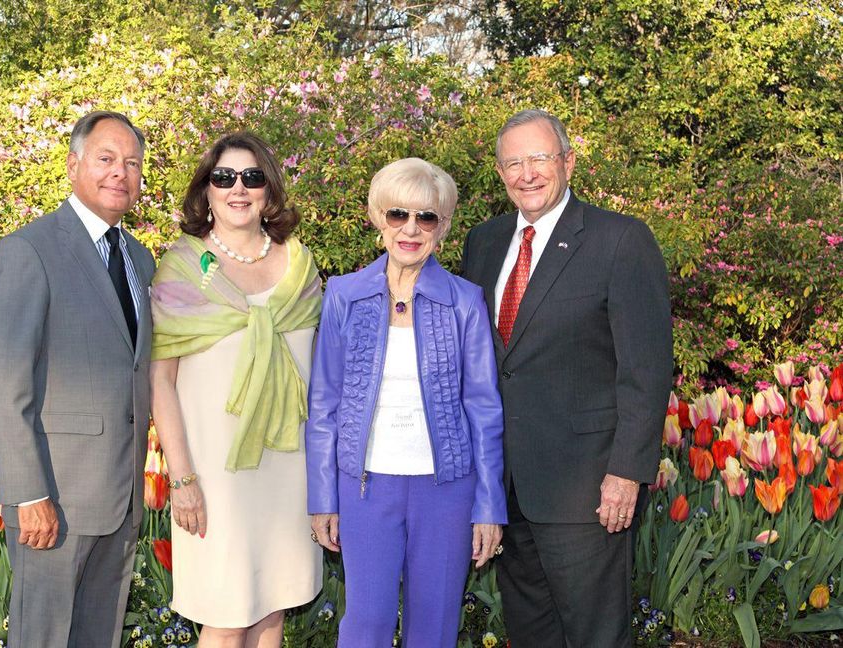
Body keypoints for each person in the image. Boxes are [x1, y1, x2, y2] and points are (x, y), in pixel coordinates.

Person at [461, 109, 674, 647]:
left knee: (595, 637)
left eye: (539, 158)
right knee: (531, 634)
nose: (526, 173)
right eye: (513, 162)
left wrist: (626, 472)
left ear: (568, 161)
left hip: (588, 490)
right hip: (507, 487)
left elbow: (646, 370)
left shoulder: (620, 241)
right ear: (499, 172)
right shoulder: (482, 244)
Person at [306, 157, 507, 648]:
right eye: (398, 215)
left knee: (434, 628)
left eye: (426, 217)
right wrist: (322, 496)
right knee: (365, 625)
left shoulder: (465, 301)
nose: (411, 229)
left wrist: (488, 506)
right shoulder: (343, 296)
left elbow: (484, 408)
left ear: (442, 226)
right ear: (379, 218)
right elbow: (324, 405)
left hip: (447, 491)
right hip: (365, 488)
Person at [0, 110, 155, 646]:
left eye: (131, 163)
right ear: (74, 164)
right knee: (42, 638)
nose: (119, 172)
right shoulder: (28, 251)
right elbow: (4, 384)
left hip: (118, 497)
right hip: (54, 499)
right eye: (106, 159)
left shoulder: (139, 260)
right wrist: (29, 493)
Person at [149, 131, 323, 647]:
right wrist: (181, 479)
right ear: (206, 191)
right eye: (224, 177)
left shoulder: (299, 266)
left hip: (287, 468)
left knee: (272, 612)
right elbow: (161, 379)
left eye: (252, 177)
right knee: (225, 618)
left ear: (269, 190)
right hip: (212, 476)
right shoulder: (182, 267)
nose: (238, 189)